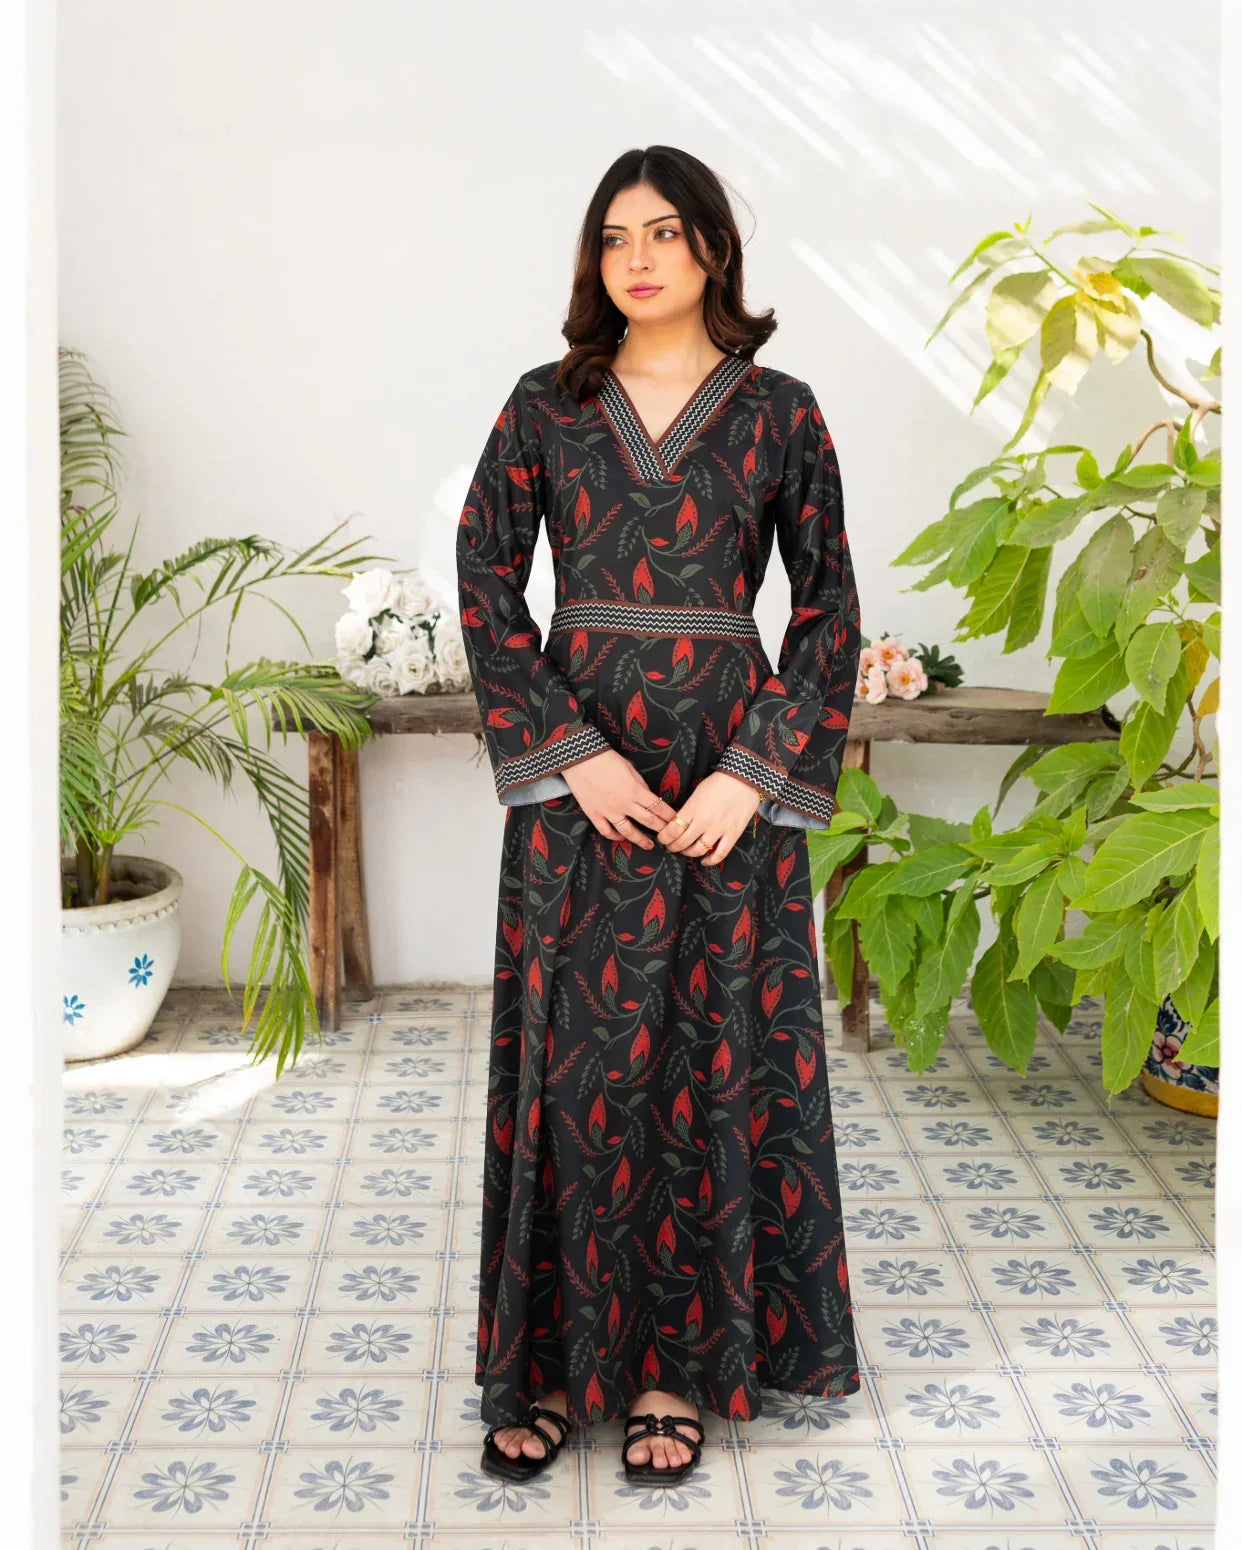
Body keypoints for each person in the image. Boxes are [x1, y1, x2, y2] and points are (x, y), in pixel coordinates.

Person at [456, 144, 862, 1489]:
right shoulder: (547, 404)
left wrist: (752, 771)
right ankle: (543, 1360)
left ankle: (671, 1370)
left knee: (704, 1059)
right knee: (580, 1065)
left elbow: (826, 609)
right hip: (588, 788)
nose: (638, 258)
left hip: (720, 779)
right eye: (615, 236)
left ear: (713, 251)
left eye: (666, 233)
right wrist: (571, 755)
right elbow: (483, 577)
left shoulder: (780, 411)